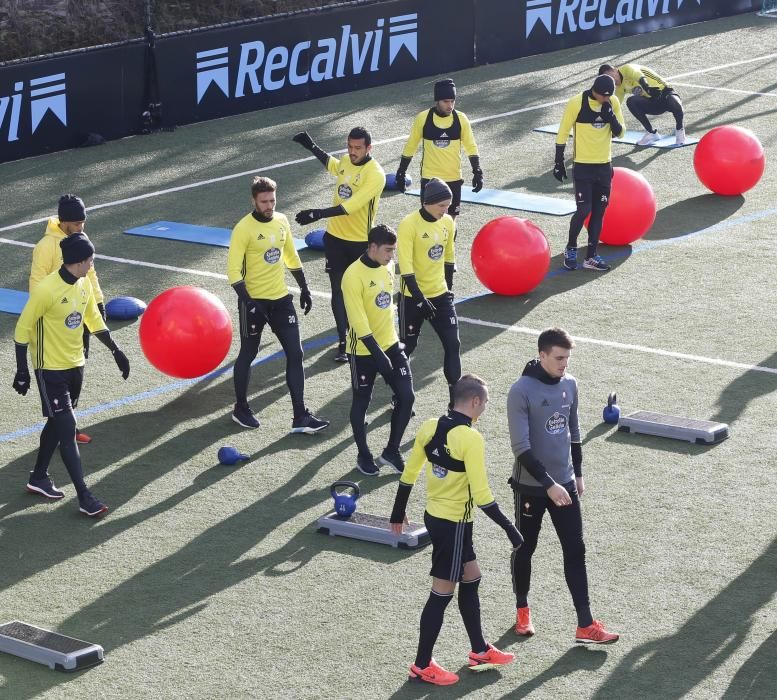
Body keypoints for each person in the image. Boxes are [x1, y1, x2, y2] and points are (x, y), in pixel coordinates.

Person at [390, 374, 522, 686]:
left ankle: (479, 649)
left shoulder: (430, 425)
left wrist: (398, 510)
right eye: (486, 402)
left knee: (472, 576)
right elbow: (482, 494)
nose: (486, 407)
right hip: (454, 525)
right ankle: (422, 664)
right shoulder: (471, 438)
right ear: (475, 402)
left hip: (436, 517)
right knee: (441, 593)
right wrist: (510, 529)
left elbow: (410, 472)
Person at [507, 327, 619, 644]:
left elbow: (574, 430)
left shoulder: (570, 384)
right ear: (542, 355)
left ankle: (585, 624)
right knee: (525, 548)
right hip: (531, 487)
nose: (563, 365)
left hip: (566, 484)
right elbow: (521, 447)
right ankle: (522, 610)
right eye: (558, 358)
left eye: (567, 358)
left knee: (575, 549)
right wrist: (548, 485)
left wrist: (577, 474)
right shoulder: (521, 391)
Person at [13, 233, 130, 517]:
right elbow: (22, 329)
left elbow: (93, 319)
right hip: (49, 369)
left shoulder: (84, 284)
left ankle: (38, 478)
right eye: (90, 259)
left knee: (56, 424)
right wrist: (22, 370)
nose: (93, 263)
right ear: (77, 261)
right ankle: (84, 497)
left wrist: (116, 350)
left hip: (75, 365)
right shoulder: (46, 290)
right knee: (67, 430)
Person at [227, 176, 329, 435]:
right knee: (248, 354)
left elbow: (290, 256)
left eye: (272, 200)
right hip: (254, 302)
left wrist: (304, 287)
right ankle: (241, 408)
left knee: (296, 353)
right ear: (254, 201)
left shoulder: (282, 221)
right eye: (264, 201)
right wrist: (249, 302)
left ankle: (300, 416)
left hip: (281, 300)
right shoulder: (243, 228)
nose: (269, 205)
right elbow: (233, 273)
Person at [291, 126, 385, 363]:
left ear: (369, 148)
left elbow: (351, 206)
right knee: (337, 290)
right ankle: (343, 342)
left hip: (359, 243)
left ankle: (366, 335)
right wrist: (311, 146)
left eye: (358, 148)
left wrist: (317, 213)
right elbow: (333, 164)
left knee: (359, 292)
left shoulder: (375, 174)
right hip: (334, 240)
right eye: (350, 147)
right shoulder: (346, 160)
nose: (352, 152)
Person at [30, 194, 106, 444]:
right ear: (64, 222)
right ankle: (61, 431)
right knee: (57, 380)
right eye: (76, 223)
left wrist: (98, 303)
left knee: (76, 372)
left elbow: (90, 275)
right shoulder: (45, 247)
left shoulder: (81, 240)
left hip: (78, 318)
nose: (81, 228)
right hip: (53, 326)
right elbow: (37, 286)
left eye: (83, 222)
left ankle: (69, 430)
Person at [341, 224, 414, 475]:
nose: (391, 256)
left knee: (407, 397)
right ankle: (363, 454)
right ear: (372, 247)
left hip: (391, 345)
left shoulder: (388, 267)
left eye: (393, 251)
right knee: (362, 401)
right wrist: (378, 354)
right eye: (387, 251)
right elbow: (358, 322)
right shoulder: (352, 276)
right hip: (362, 351)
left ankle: (392, 451)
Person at [397, 178, 460, 408]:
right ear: (428, 203)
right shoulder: (409, 224)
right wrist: (420, 298)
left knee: (453, 344)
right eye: (442, 206)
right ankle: (400, 396)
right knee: (407, 347)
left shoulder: (447, 223)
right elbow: (405, 266)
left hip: (440, 295)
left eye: (448, 206)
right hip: (412, 297)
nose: (446, 211)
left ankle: (455, 403)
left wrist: (449, 289)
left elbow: (449, 258)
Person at [554, 74, 625, 272]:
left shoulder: (612, 102)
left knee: (599, 210)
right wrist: (559, 160)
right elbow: (563, 131)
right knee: (584, 210)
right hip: (583, 166)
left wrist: (610, 116)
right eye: (604, 96)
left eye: (609, 96)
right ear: (595, 91)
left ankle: (591, 256)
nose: (606, 99)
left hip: (604, 167)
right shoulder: (577, 103)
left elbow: (621, 132)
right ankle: (571, 248)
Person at [394, 78, 482, 219]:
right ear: (437, 101)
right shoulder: (423, 118)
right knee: (428, 221)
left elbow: (471, 146)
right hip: (430, 179)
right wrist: (401, 171)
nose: (450, 105)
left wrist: (477, 171)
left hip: (453, 177)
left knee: (451, 222)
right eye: (446, 101)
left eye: (452, 101)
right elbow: (411, 145)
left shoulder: (461, 119)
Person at [599, 63, 685, 146]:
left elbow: (639, 76)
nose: (611, 80)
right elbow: (614, 107)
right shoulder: (619, 88)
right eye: (608, 79)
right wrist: (608, 126)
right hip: (652, 103)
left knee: (675, 103)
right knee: (631, 102)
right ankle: (651, 133)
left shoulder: (627, 69)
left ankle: (680, 129)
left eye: (610, 76)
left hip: (664, 93)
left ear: (614, 70)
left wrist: (647, 88)